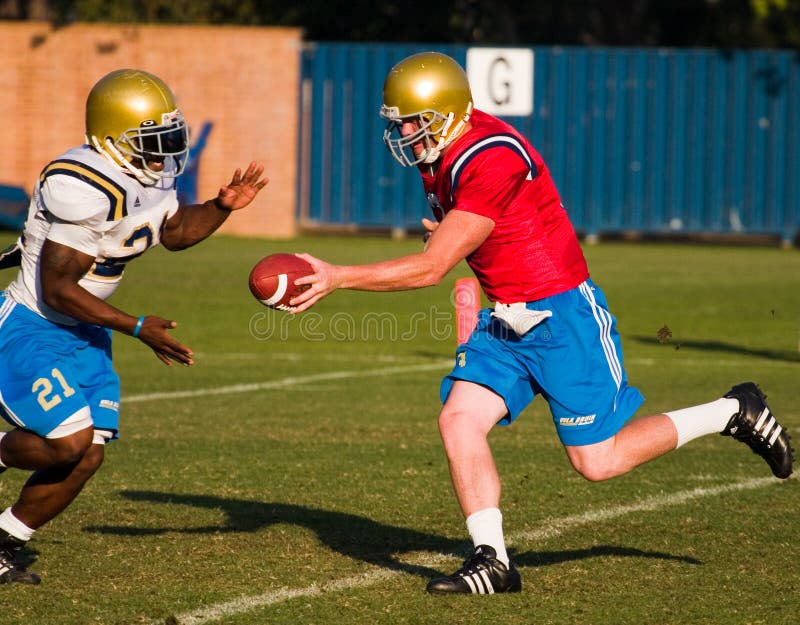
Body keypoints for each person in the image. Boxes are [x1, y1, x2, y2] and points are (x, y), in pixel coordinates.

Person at [288, 52, 793, 595]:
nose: (407, 132)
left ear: (450, 112)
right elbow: (481, 233)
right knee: (458, 420)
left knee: (598, 462)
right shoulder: (440, 154)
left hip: (563, 315)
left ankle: (732, 410)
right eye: (401, 122)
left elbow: (433, 267)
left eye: (415, 120)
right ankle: (493, 560)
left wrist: (338, 275)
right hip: (505, 320)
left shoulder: (492, 155)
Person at [0, 69, 268, 584]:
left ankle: (5, 540)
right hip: (32, 327)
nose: (162, 151)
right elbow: (59, 288)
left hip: (82, 334)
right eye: (150, 140)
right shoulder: (81, 184)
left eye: (167, 137)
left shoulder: (149, 176)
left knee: (88, 455)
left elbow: (173, 232)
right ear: (110, 137)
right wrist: (137, 325)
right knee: (67, 443)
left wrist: (219, 207)